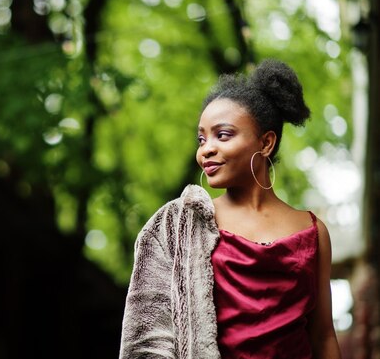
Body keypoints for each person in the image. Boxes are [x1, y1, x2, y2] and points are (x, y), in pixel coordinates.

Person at [119, 59, 341, 358]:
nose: (205, 149)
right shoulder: (181, 225)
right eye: (201, 138)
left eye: (222, 135)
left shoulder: (314, 233)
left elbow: (323, 336)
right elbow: (146, 338)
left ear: (266, 143)